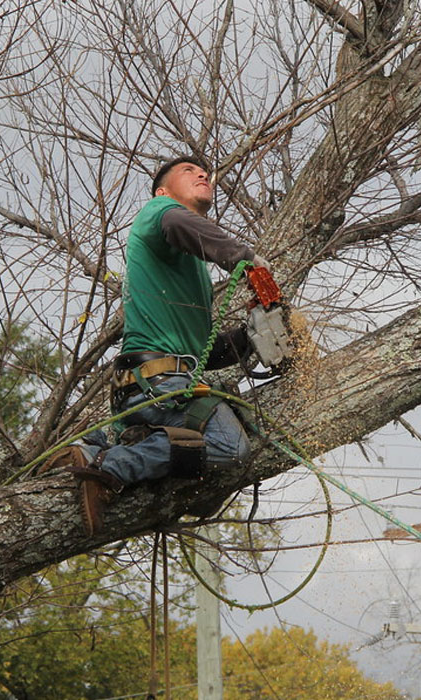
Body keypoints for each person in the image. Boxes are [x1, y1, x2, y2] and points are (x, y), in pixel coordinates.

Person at [53, 156, 267, 536]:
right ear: (162, 191)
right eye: (189, 171)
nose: (202, 174)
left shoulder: (186, 267)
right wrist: (245, 259)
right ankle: (111, 466)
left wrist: (252, 336)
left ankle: (91, 446)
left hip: (153, 383)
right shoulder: (159, 213)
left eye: (204, 172)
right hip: (160, 384)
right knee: (230, 448)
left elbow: (204, 351)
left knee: (203, 475)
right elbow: (178, 222)